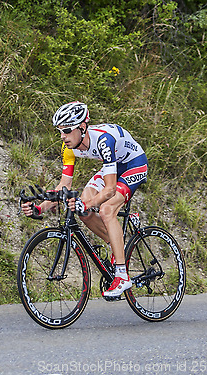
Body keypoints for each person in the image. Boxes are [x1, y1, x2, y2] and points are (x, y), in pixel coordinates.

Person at [21, 101, 148, 297]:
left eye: (67, 130)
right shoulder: (69, 147)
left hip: (133, 164)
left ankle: (122, 276)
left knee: (106, 209)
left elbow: (110, 189)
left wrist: (87, 203)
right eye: (60, 131)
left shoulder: (104, 141)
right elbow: (64, 187)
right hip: (113, 165)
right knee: (83, 210)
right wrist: (40, 208)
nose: (62, 136)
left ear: (82, 127)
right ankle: (117, 246)